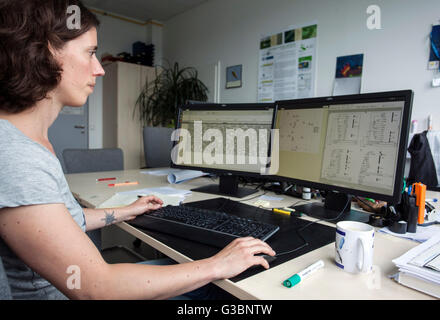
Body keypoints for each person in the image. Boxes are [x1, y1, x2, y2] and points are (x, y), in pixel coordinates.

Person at [0, 0, 275, 300]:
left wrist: (126, 211)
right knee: (229, 291)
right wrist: (217, 265)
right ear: (46, 52)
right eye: (90, 53)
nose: (100, 69)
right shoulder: (18, 157)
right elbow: (97, 288)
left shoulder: (27, 141)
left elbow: (66, 219)